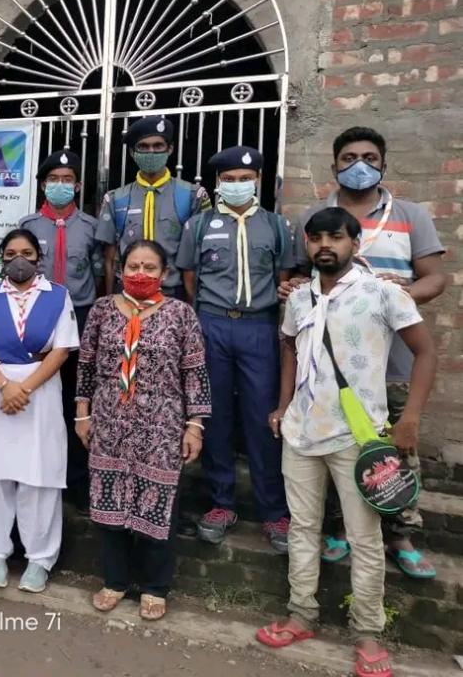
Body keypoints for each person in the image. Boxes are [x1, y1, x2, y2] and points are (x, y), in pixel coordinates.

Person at [258, 207, 436, 677]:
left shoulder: (383, 293)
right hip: (301, 432)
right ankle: (301, 614)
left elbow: (425, 351)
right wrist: (282, 407)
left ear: (354, 244)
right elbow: (290, 349)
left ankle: (368, 632)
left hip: (358, 437)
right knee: (302, 528)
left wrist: (410, 419)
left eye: (335, 237)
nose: (324, 245)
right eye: (316, 238)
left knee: (364, 538)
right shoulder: (299, 298)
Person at [283, 127, 447, 579]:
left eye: (370, 157)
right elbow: (302, 278)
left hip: (391, 361)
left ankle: (400, 534)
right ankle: (339, 530)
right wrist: (292, 287)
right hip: (330, 366)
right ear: (334, 165)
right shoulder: (316, 218)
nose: (360, 165)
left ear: (383, 164)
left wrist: (394, 298)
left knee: (392, 451)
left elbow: (436, 278)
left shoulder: (410, 215)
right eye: (349, 157)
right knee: (337, 447)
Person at [74, 240, 211, 620]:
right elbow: (86, 365)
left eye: (150, 267)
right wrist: (82, 413)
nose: (140, 273)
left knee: (158, 505)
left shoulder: (181, 314)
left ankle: (155, 586)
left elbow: (195, 372)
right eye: (133, 266)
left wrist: (195, 425)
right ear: (120, 270)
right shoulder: (102, 310)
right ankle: (115, 581)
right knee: (108, 504)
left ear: (164, 273)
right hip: (109, 423)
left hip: (162, 426)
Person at [175, 145, 295, 552]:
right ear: (218, 182)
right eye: (229, 179)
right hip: (212, 325)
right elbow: (190, 277)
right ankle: (221, 503)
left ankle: (273, 510)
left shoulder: (276, 226)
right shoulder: (198, 225)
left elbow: (284, 276)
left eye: (245, 179)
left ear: (258, 181)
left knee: (264, 418)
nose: (238, 185)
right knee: (216, 415)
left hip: (259, 326)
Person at [0, 229, 80, 593]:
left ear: (38, 258)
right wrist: (5, 386)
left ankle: (39, 559)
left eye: (27, 252)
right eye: (11, 252)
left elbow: (61, 350)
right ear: (1, 257)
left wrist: (23, 388)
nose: (19, 259)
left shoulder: (58, 296)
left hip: (39, 392)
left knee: (39, 475)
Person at [19, 149, 112, 514]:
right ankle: (40, 475)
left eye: (67, 180)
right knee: (41, 397)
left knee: (79, 398)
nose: (60, 185)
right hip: (39, 317)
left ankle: (78, 480)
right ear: (43, 185)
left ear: (78, 186)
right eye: (53, 180)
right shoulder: (28, 225)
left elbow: (101, 274)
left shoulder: (91, 226)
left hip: (81, 316)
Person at [100, 115, 211, 297]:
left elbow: (199, 255)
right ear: (132, 153)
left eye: (158, 146)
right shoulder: (116, 199)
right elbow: (109, 259)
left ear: (170, 149)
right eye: (143, 147)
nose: (151, 152)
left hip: (172, 293)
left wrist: (193, 302)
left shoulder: (191, 195)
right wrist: (110, 299)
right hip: (128, 295)